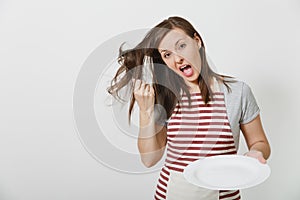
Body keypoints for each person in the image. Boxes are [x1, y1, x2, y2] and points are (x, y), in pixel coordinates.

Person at [107, 16, 271, 200]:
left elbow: (260, 143)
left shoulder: (237, 92)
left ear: (197, 41)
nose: (177, 58)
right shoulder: (164, 96)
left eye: (181, 46)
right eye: (167, 54)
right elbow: (149, 159)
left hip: (225, 196)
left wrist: (256, 152)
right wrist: (146, 112)